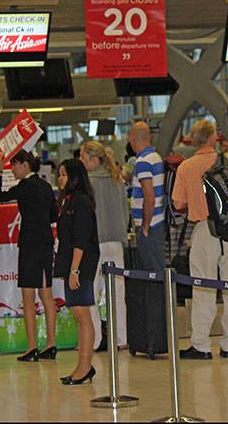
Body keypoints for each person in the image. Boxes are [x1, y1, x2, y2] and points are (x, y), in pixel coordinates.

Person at [172, 119, 228, 360]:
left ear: (193, 141)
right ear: (214, 138)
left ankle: (202, 345)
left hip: (205, 231)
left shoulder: (186, 167)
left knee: (203, 288)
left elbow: (178, 204)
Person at [0, 150, 58, 362]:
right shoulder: (46, 186)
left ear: (24, 165)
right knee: (47, 295)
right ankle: (51, 344)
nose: (12, 169)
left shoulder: (24, 187)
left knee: (28, 297)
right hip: (46, 243)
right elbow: (54, 215)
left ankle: (31, 347)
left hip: (29, 245)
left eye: (14, 165)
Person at [80, 141, 130, 351]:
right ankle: (121, 339)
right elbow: (125, 212)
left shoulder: (87, 183)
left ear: (93, 159)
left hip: (95, 242)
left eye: (83, 157)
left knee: (91, 291)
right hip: (116, 241)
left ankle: (96, 339)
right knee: (117, 292)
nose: (81, 162)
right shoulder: (117, 180)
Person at [55, 158, 100, 385]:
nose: (59, 178)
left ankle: (84, 367)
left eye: (63, 174)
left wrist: (74, 270)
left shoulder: (81, 202)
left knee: (82, 315)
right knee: (78, 314)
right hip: (71, 263)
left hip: (80, 264)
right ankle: (82, 366)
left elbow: (81, 239)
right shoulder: (69, 201)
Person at [128, 121, 166, 280]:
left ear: (132, 139)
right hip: (158, 222)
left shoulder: (142, 162)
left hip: (149, 225)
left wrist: (144, 226)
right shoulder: (156, 157)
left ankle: (157, 305)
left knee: (153, 274)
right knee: (158, 269)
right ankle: (163, 304)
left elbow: (148, 197)